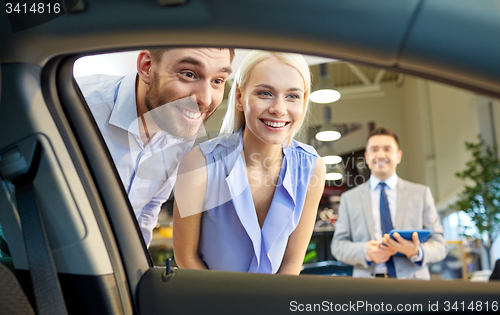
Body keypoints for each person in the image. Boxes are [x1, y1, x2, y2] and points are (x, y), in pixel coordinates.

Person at [172, 50, 326, 275]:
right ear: (238, 97)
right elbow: (186, 258)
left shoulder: (312, 168)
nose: (279, 109)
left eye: (292, 96)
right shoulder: (199, 163)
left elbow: (292, 263)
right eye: (265, 93)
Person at [76, 48, 234, 246]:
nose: (206, 99)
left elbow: (147, 208)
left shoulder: (180, 127)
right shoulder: (78, 107)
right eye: (188, 74)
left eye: (218, 80)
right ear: (147, 67)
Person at [331, 127, 447, 279]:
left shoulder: (421, 194)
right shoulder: (349, 198)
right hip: (367, 286)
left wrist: (416, 251)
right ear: (366, 157)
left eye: (387, 149)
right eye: (374, 149)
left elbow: (440, 245)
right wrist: (365, 251)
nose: (380, 155)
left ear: (398, 156)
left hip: (413, 286)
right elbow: (338, 246)